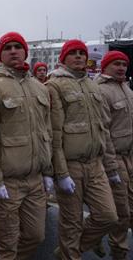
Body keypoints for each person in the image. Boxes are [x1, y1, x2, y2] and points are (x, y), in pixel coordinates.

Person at [47, 39, 118, 259]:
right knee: (71, 224)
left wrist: (111, 167)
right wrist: (61, 173)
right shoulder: (54, 86)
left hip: (96, 164)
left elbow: (102, 129)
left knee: (108, 217)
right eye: (73, 53)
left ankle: (68, 252)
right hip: (71, 166)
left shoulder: (91, 85)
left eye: (82, 53)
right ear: (63, 58)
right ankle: (70, 253)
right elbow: (54, 134)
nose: (79, 56)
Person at [0, 32, 53, 259]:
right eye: (8, 48)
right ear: (0, 55)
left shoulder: (39, 88)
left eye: (18, 47)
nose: (13, 51)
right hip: (7, 181)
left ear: (26, 51)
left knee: (36, 236)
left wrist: (48, 172)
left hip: (34, 179)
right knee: (6, 242)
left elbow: (46, 131)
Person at [95, 50, 133, 259]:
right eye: (116, 64)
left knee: (129, 210)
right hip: (114, 159)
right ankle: (119, 252)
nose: (121, 68)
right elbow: (104, 132)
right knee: (121, 212)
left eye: (124, 64)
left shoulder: (127, 89)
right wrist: (111, 167)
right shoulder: (102, 91)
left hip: (129, 157)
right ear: (106, 66)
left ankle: (94, 237)